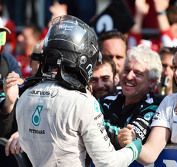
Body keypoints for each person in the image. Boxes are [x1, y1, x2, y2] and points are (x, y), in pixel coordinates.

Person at [15, 15, 142, 167]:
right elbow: (108, 162)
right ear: (82, 59)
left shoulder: (25, 95)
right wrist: (135, 148)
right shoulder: (82, 102)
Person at [99, 44, 163, 150]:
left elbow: (128, 138)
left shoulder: (156, 106)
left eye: (138, 73)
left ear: (152, 82)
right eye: (127, 70)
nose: (129, 77)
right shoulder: (107, 100)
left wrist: (96, 126)